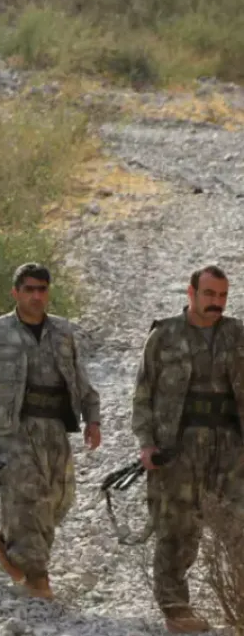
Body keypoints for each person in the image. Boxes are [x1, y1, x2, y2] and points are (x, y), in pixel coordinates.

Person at [0, 263, 101, 600]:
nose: (36, 295)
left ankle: (8, 542)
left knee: (60, 497)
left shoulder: (63, 332)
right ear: (16, 292)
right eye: (29, 289)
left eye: (42, 289)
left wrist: (92, 419)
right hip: (13, 427)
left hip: (54, 426)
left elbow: (81, 382)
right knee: (31, 495)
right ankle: (37, 576)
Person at [132, 265, 244, 633]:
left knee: (238, 524)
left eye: (222, 296)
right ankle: (177, 610)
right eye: (209, 295)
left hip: (229, 448)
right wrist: (147, 443)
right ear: (191, 293)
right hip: (178, 449)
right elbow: (144, 394)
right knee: (177, 528)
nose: (216, 303)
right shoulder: (164, 337)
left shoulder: (237, 336)